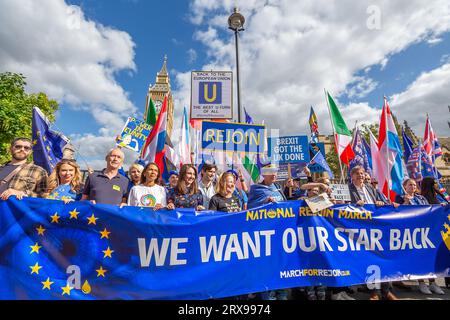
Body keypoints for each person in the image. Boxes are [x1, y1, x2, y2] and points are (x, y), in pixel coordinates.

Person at [348, 166, 398, 300]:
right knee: (369, 259)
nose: (361, 176)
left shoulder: (372, 188)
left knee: (383, 257)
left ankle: (386, 291)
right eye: (357, 174)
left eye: (362, 173)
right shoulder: (348, 189)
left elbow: (385, 202)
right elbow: (341, 206)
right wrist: (353, 204)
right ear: (352, 176)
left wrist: (384, 203)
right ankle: (375, 292)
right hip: (360, 229)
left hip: (377, 229)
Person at [393, 178, 445, 295]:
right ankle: (421, 282)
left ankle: (432, 283)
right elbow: (397, 214)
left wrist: (439, 207)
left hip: (424, 232)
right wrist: (405, 203)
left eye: (414, 185)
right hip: (410, 233)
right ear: (404, 187)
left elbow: (429, 211)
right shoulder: (400, 198)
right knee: (417, 257)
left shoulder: (421, 198)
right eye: (410, 185)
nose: (413, 187)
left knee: (428, 255)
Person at [247, 164, 288, 300]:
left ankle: (282, 294)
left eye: (275, 173)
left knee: (281, 265)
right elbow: (251, 207)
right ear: (264, 175)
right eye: (271, 173)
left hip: (280, 232)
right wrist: (265, 202)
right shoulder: (256, 189)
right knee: (267, 267)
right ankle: (267, 296)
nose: (274, 175)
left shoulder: (278, 188)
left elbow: (286, 205)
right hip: (264, 234)